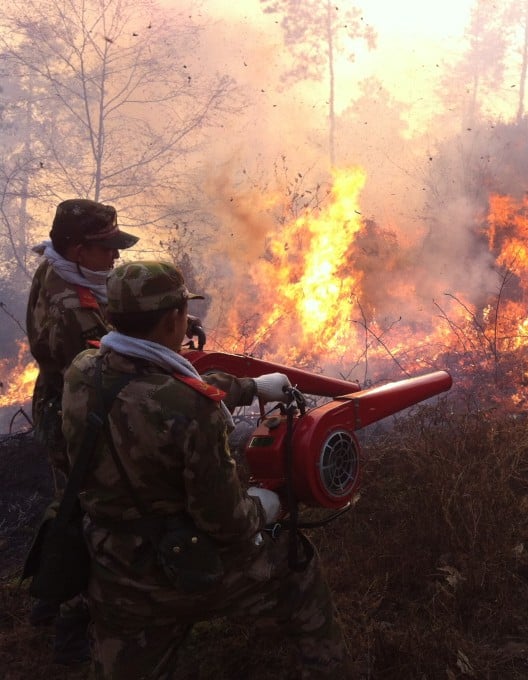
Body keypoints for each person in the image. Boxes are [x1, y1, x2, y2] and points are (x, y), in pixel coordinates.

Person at [60, 260, 348, 679]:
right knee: (297, 566)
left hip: (114, 570)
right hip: (182, 567)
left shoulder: (82, 372)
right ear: (174, 318)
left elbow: (152, 388)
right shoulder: (192, 410)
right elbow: (227, 523)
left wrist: (249, 387)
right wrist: (266, 504)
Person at [24, 198, 139, 663]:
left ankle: (46, 597)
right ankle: (73, 624)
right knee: (93, 510)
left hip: (64, 397)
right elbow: (111, 359)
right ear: (74, 248)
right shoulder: (72, 305)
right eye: (104, 247)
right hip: (77, 412)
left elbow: (109, 319)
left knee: (66, 502)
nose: (114, 256)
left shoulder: (65, 273)